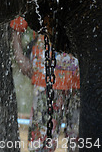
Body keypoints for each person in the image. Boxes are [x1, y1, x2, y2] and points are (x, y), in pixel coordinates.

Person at [11, 17, 80, 152]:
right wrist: (19, 56)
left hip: (82, 82)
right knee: (41, 142)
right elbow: (16, 25)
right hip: (46, 80)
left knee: (80, 141)